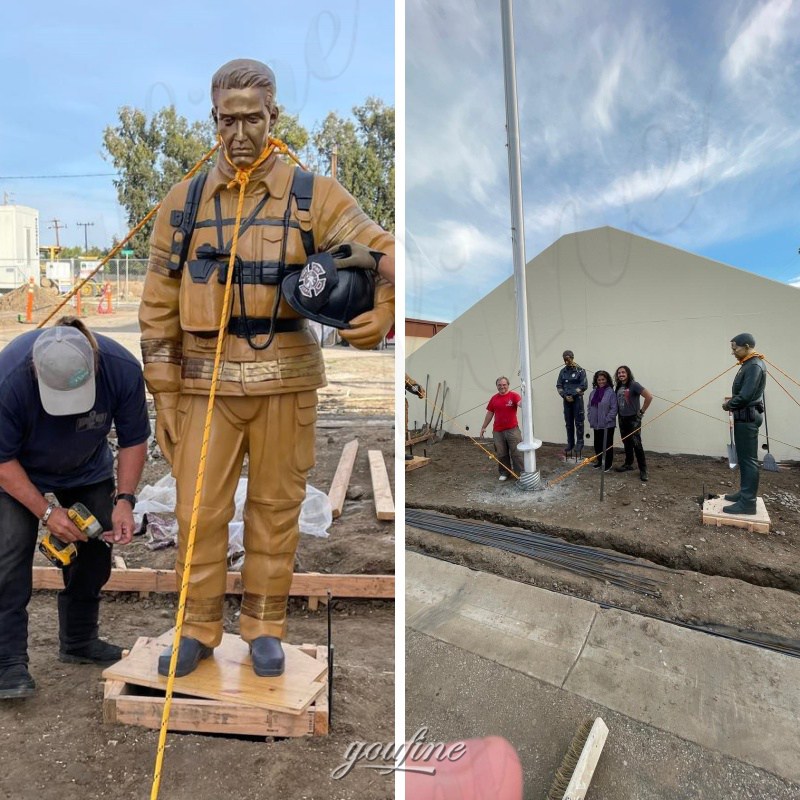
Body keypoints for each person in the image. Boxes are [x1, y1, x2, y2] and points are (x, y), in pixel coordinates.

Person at [139, 58, 394, 678]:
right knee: (198, 512)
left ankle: (263, 627)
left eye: (254, 118)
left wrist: (386, 304)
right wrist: (164, 395)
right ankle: (197, 626)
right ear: (214, 120)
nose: (241, 132)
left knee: (277, 509)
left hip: (287, 379)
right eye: (229, 119)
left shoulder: (313, 196)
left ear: (274, 117)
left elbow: (382, 248)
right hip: (204, 384)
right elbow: (157, 307)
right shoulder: (183, 204)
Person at [0, 318, 149, 699]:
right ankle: (7, 662)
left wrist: (125, 501)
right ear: (36, 370)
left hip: (85, 467)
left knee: (97, 549)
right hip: (17, 469)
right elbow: (1, 461)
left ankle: (79, 641)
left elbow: (134, 439)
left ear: (94, 364)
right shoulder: (9, 378)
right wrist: (47, 513)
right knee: (9, 552)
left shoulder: (121, 368)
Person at [721, 333, 766, 515]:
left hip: (747, 416)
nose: (733, 352)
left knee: (748, 460)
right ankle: (744, 493)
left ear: (746, 346)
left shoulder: (754, 365)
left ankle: (748, 502)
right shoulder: (748, 364)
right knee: (744, 458)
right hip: (744, 415)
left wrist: (728, 405)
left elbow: (746, 395)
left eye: (735, 348)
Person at [614, 365, 653, 482]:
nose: (621, 374)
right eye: (619, 373)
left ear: (628, 373)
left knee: (636, 444)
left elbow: (649, 397)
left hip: (633, 419)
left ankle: (643, 470)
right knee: (626, 441)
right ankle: (628, 463)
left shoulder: (634, 385)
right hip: (622, 418)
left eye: (623, 372)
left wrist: (641, 412)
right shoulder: (619, 386)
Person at [479, 377, 523, 481]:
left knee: (516, 452)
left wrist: (524, 400)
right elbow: (490, 413)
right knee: (501, 453)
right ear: (497, 386)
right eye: (499, 385)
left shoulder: (514, 396)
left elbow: (521, 404)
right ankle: (505, 472)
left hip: (513, 430)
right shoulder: (494, 398)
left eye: (504, 385)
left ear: (508, 385)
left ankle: (520, 473)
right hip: (498, 431)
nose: (502, 387)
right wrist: (483, 427)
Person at [556, 350, 587, 458]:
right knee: (568, 423)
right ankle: (570, 443)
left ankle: (580, 443)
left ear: (572, 358)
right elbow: (559, 386)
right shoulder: (562, 372)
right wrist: (564, 395)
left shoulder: (580, 371)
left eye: (568, 358)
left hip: (577, 400)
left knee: (579, 422)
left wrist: (573, 394)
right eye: (564, 359)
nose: (566, 361)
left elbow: (583, 385)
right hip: (566, 401)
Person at [587, 370, 617, 472]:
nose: (601, 381)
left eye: (603, 379)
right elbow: (589, 407)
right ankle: (600, 461)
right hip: (596, 424)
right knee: (597, 444)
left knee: (607, 445)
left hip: (607, 425)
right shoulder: (593, 393)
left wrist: (606, 419)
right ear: (596, 381)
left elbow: (614, 408)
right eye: (599, 380)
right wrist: (590, 417)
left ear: (607, 380)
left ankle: (608, 464)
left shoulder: (611, 393)